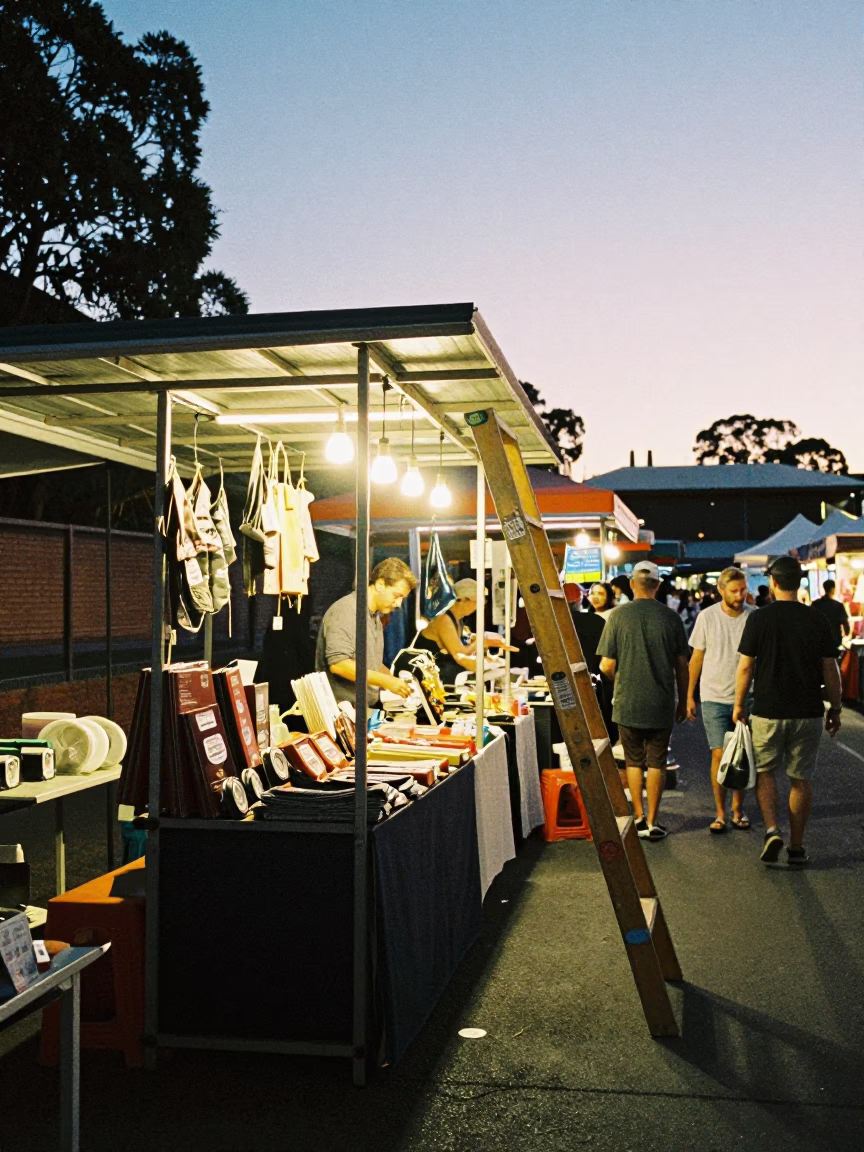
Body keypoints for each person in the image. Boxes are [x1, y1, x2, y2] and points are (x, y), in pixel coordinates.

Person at [733, 555, 842, 866]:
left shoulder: (759, 619)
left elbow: (745, 668)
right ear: (799, 582)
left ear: (774, 583)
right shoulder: (817, 619)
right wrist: (834, 708)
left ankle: (771, 830)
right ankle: (796, 846)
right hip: (807, 711)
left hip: (767, 710)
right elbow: (829, 668)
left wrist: (739, 705)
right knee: (800, 778)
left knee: (766, 772)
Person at [597, 560, 690, 841]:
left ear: (632, 585)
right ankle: (653, 821)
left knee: (633, 761)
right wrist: (684, 700)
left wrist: (622, 682)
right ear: (658, 586)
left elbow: (605, 666)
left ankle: (637, 817)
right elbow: (682, 665)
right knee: (657, 761)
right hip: (661, 702)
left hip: (628, 701)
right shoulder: (671, 618)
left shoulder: (617, 617)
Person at [687, 567, 755, 833]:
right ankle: (720, 813)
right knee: (719, 754)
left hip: (747, 697)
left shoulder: (755, 617)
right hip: (713, 696)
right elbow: (697, 658)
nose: (740, 596)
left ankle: (739, 810)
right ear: (721, 590)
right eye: (735, 591)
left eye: (743, 590)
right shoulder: (707, 617)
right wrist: (689, 695)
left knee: (742, 755)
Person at [315, 557, 417, 707]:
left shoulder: (375, 616)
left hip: (362, 709)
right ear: (380, 584)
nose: (398, 603)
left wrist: (397, 681)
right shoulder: (346, 610)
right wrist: (386, 681)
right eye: (397, 596)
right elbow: (339, 664)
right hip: (341, 713)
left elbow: (372, 663)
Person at [416, 577, 517, 683]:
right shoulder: (444, 619)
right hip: (429, 674)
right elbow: (460, 654)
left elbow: (463, 644)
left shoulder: (458, 620)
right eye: (476, 602)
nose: (477, 607)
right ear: (462, 600)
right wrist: (481, 642)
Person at [811, 579, 849, 657]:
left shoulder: (815, 604)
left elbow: (810, 622)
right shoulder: (838, 605)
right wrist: (846, 634)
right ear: (833, 589)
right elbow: (845, 624)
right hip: (834, 641)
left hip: (818, 641)